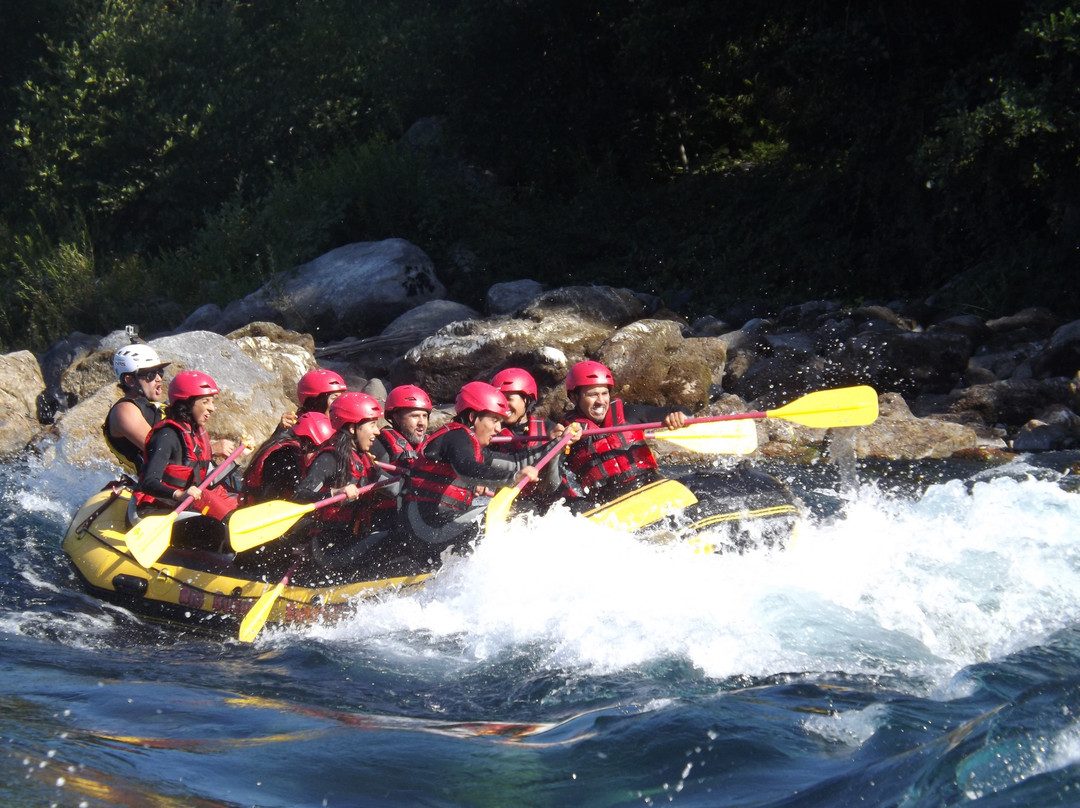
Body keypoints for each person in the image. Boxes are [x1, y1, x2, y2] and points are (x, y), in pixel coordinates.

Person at [401, 381, 559, 561]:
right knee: (518, 513)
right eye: (494, 420)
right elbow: (466, 469)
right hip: (428, 528)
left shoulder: (476, 448)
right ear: (473, 417)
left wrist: (556, 443)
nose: (499, 429)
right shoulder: (456, 437)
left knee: (524, 509)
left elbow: (517, 461)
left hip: (441, 524)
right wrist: (513, 477)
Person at [558, 360, 688, 508]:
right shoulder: (566, 432)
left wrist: (680, 416)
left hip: (651, 487)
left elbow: (681, 412)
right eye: (593, 395)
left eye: (604, 393)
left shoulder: (630, 414)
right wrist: (560, 444)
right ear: (574, 397)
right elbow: (550, 475)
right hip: (608, 504)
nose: (601, 401)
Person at [132, 370, 239, 550]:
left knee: (238, 514)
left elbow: (204, 478)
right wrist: (179, 495)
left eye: (212, 402)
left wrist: (238, 460)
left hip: (187, 504)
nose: (212, 408)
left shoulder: (196, 432)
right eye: (205, 402)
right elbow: (148, 482)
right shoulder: (167, 436)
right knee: (215, 530)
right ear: (186, 404)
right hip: (159, 508)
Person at [291, 392, 398, 571]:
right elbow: (299, 497)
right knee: (395, 539)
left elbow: (394, 488)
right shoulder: (330, 458)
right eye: (372, 424)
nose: (377, 431)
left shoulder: (363, 459)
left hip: (354, 538)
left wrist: (417, 482)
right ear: (351, 428)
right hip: (329, 548)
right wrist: (335, 493)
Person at [241, 412, 336, 506]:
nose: (321, 459)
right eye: (319, 451)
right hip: (255, 508)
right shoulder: (284, 458)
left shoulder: (289, 448)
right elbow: (270, 500)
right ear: (308, 444)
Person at [103, 343, 169, 475]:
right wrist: (211, 450)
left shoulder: (158, 407)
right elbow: (161, 452)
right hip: (161, 488)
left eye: (160, 372)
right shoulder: (124, 410)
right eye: (150, 374)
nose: (159, 378)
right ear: (130, 380)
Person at [490, 368, 558, 445]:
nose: (503, 404)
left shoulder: (548, 429)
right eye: (499, 399)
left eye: (508, 399)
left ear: (526, 400)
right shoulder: (488, 434)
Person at [372, 384, 432, 466]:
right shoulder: (378, 446)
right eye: (415, 416)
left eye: (424, 416)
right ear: (396, 418)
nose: (421, 423)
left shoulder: (432, 446)